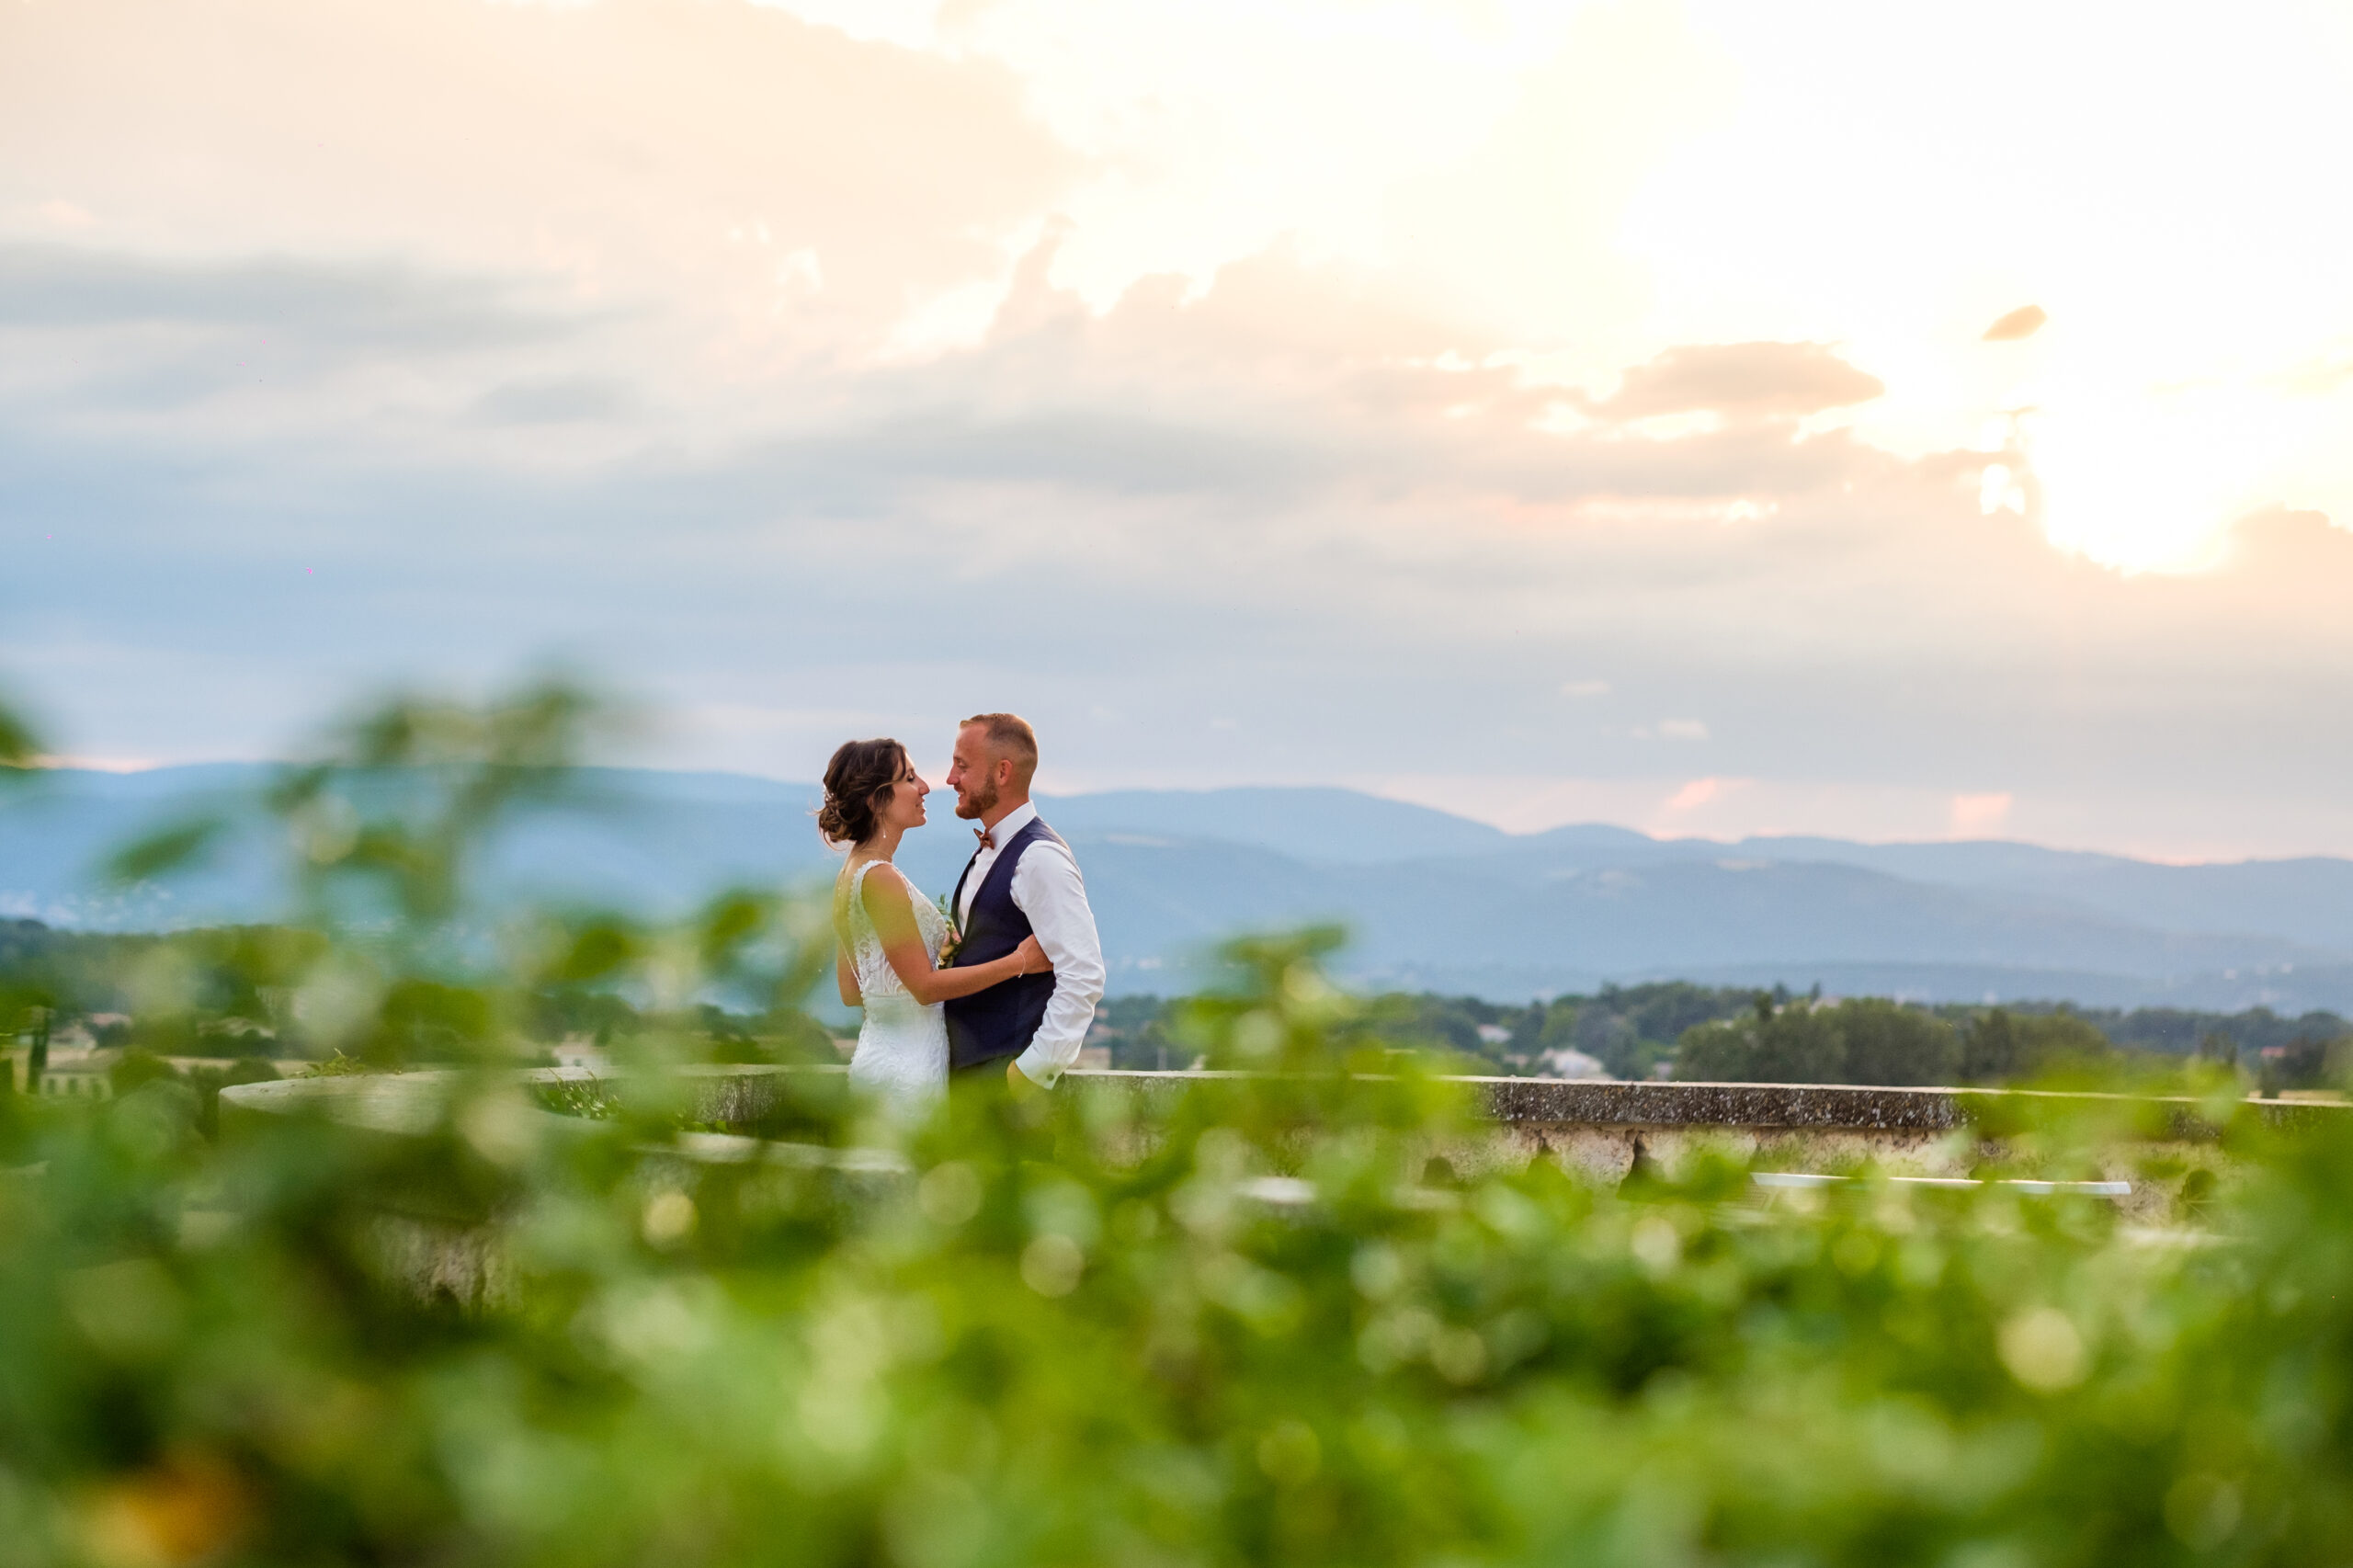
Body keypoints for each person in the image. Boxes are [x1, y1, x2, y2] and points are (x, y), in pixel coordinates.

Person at [823, 737, 1050, 1113]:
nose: (925, 787)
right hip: (908, 1073)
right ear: (876, 799)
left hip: (879, 1061)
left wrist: (936, 955)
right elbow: (925, 989)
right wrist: (1019, 962)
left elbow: (852, 991)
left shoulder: (850, 875)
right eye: (910, 778)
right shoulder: (881, 879)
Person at [939, 713, 1106, 1094]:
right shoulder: (995, 848)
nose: (950, 778)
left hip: (1005, 1087)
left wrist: (1031, 1071)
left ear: (1002, 772)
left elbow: (1083, 973)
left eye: (962, 766)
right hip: (968, 1082)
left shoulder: (1039, 858)